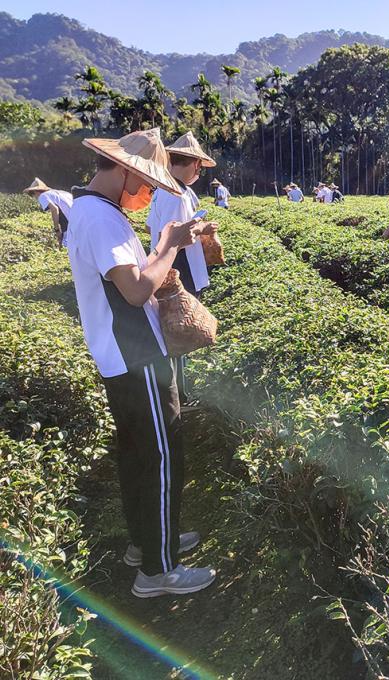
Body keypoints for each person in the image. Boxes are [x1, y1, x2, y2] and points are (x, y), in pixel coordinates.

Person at [67, 128, 216, 597]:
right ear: (126, 171)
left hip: (121, 356)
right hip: (137, 356)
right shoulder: (101, 217)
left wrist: (164, 248)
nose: (150, 194)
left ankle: (148, 542)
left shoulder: (92, 209)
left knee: (137, 456)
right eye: (148, 183)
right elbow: (134, 291)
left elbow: (128, 279)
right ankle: (159, 569)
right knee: (161, 456)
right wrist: (169, 243)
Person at [147, 131, 218, 405]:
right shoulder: (176, 194)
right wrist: (202, 228)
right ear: (194, 163)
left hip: (169, 265)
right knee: (180, 330)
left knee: (175, 331)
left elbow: (152, 228)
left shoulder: (163, 190)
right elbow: (176, 237)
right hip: (179, 268)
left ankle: (180, 392)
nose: (199, 172)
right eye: (199, 167)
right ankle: (181, 396)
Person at [23, 177, 74, 248]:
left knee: (66, 247)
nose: (33, 197)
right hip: (79, 220)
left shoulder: (42, 196)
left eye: (32, 194)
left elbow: (54, 209)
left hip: (69, 225)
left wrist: (57, 230)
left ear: (36, 191)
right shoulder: (61, 193)